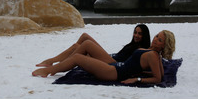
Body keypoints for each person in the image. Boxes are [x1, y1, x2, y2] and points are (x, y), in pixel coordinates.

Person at [32, 30, 175, 85]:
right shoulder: (153, 53)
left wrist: (136, 79)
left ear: (164, 46)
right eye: (157, 36)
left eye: (160, 40)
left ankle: (51, 70)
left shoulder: (153, 56)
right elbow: (159, 73)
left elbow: (158, 78)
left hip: (113, 73)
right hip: (115, 66)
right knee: (86, 42)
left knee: (78, 58)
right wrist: (142, 72)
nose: (156, 39)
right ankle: (54, 64)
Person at [36, 24, 150, 67]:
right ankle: (52, 61)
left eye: (140, 34)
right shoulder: (133, 44)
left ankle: (60, 64)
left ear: (145, 36)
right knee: (83, 37)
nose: (136, 35)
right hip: (110, 56)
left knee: (85, 44)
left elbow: (146, 62)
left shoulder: (142, 49)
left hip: (113, 64)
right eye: (135, 32)